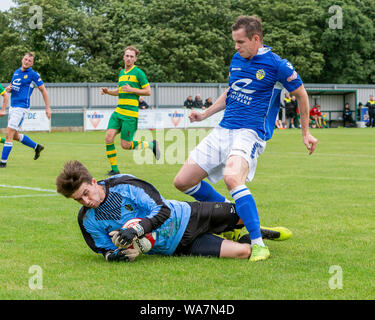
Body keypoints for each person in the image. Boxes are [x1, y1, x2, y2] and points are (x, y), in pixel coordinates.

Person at [173, 15, 317, 262]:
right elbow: (231, 92)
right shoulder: (237, 59)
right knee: (183, 182)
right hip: (223, 129)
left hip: (250, 133)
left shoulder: (277, 65)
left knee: (232, 177)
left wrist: (305, 132)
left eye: (240, 42)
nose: (236, 47)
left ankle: (259, 244)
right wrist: (205, 114)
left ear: (256, 38)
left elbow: (302, 95)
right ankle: (233, 216)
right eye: (234, 42)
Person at [56, 160, 292, 262]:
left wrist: (137, 229)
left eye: (87, 193)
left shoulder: (124, 184)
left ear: (94, 182)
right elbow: (103, 250)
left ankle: (252, 229)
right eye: (79, 200)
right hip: (178, 246)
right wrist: (116, 256)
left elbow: (162, 210)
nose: (87, 201)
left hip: (188, 215)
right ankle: (248, 238)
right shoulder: (88, 220)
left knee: (239, 211)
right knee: (243, 253)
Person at [100, 46, 159, 176]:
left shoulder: (139, 73)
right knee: (108, 137)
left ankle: (151, 145)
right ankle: (114, 170)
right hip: (118, 112)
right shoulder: (121, 73)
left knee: (126, 145)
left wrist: (133, 90)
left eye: (132, 56)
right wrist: (108, 91)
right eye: (127, 56)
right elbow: (120, 91)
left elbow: (148, 91)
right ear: (123, 57)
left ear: (135, 59)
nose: (129, 58)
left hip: (130, 115)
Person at [0, 52, 51, 168]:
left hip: (21, 108)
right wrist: (8, 89)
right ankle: (36, 146)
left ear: (32, 63)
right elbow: (14, 87)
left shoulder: (33, 75)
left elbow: (43, 90)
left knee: (8, 133)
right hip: (13, 107)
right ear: (22, 59)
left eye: (29, 61)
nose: (27, 62)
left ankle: (2, 163)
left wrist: (47, 108)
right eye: (25, 59)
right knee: (14, 135)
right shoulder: (16, 72)